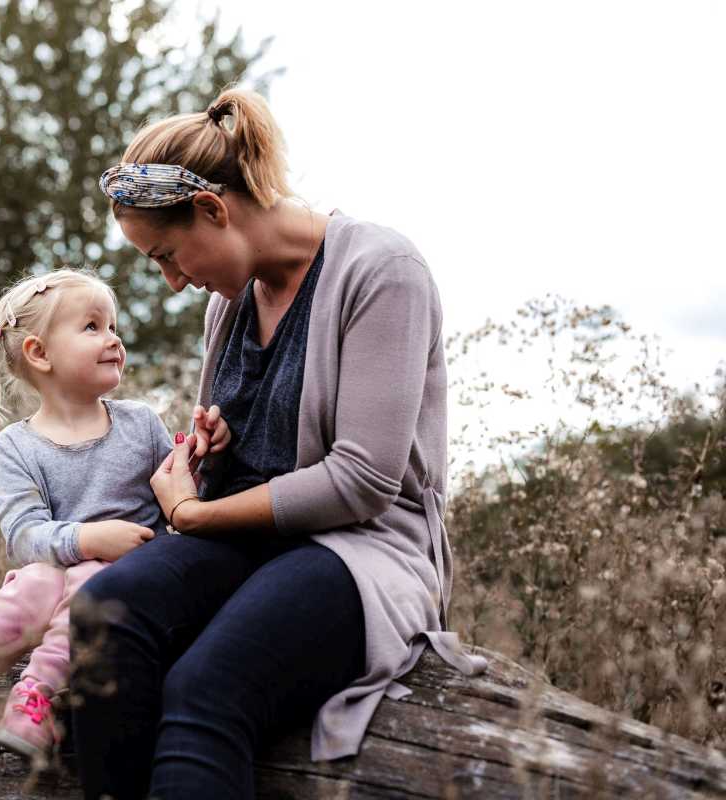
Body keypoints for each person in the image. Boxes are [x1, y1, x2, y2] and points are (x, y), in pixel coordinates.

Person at [70, 89, 487, 800]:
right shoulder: (225, 305)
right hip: (245, 543)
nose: (173, 281)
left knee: (207, 685)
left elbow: (361, 481)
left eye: (169, 256)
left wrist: (194, 516)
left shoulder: (382, 271)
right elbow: (233, 453)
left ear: (213, 210)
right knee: (103, 619)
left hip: (363, 549)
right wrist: (205, 456)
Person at [0, 267, 229, 788]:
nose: (113, 337)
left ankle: (36, 697)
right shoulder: (14, 448)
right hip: (52, 589)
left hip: (131, 589)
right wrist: (88, 539)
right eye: (92, 327)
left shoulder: (139, 423)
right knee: (36, 581)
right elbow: (25, 537)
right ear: (39, 353)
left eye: (113, 325)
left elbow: (181, 497)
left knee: (92, 579)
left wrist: (203, 453)